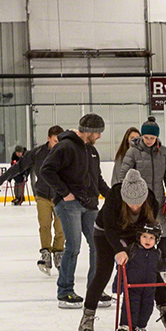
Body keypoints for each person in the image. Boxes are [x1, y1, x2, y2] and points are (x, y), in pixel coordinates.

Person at [78, 169, 163, 331]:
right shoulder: (114, 196)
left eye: (138, 203)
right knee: (103, 273)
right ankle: (87, 318)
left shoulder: (151, 200)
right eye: (130, 203)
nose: (134, 207)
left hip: (134, 234)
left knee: (149, 270)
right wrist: (118, 250)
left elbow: (150, 230)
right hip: (105, 234)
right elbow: (109, 229)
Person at [40, 114, 112, 309]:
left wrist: (113, 197)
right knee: (73, 247)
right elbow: (46, 170)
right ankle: (65, 292)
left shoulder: (92, 151)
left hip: (90, 205)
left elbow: (97, 180)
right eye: (98, 133)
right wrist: (64, 193)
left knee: (98, 245)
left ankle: (95, 289)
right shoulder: (65, 147)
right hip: (69, 205)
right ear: (89, 131)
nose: (99, 137)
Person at [116, 118, 166, 329]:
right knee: (140, 253)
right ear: (141, 136)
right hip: (139, 208)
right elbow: (123, 178)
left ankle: (164, 305)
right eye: (146, 137)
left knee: (159, 250)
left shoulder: (164, 152)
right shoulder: (133, 153)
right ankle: (135, 305)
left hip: (158, 207)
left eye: (153, 137)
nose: (149, 140)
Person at [0, 126, 66, 274]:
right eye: (54, 141)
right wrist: (0, 180)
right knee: (44, 225)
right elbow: (19, 167)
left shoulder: (66, 153)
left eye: (60, 141)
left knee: (61, 228)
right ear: (48, 139)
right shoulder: (37, 153)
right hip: (42, 195)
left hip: (61, 196)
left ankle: (59, 253)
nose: (57, 144)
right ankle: (46, 254)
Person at [117, 222, 164, 331]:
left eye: (151, 238)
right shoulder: (132, 250)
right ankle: (125, 326)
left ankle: (139, 327)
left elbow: (159, 266)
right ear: (139, 237)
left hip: (149, 288)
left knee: (147, 307)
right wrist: (118, 283)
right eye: (144, 236)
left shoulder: (156, 253)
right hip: (133, 286)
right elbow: (123, 268)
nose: (147, 240)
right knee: (131, 305)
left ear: (156, 240)